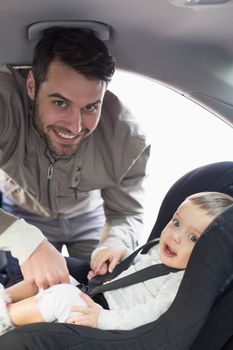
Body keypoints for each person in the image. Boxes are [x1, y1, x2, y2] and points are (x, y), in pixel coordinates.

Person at [0, 26, 150, 288]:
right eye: (60, 103)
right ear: (32, 86)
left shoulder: (127, 138)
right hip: (22, 211)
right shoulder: (3, 106)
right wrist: (22, 237)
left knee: (101, 290)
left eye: (90, 107)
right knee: (22, 291)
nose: (75, 126)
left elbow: (125, 213)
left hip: (89, 217)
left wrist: (116, 242)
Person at [0, 191, 232, 334]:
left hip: (108, 320)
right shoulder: (156, 251)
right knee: (53, 273)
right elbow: (136, 266)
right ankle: (5, 299)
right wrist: (118, 253)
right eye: (176, 223)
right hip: (96, 294)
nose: (176, 236)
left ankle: (5, 320)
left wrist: (102, 319)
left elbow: (148, 315)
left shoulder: (181, 283)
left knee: (62, 297)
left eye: (193, 238)